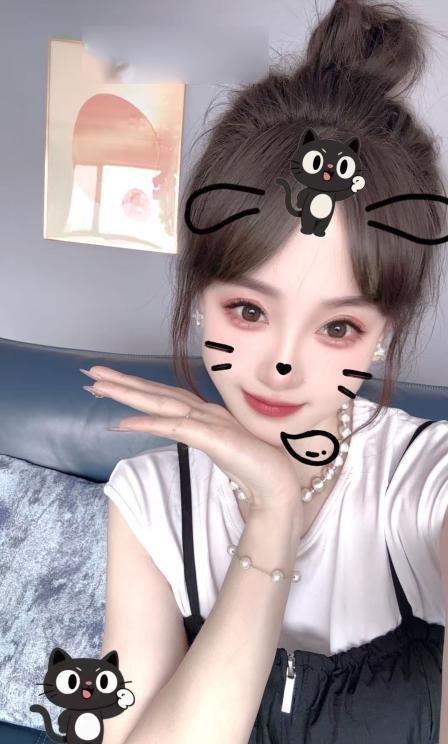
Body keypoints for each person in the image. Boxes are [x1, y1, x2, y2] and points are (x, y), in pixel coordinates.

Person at [81, 1, 448, 742]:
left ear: (384, 335)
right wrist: (273, 517)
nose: (282, 365)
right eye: (248, 310)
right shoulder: (150, 500)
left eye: (338, 327)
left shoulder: (424, 484)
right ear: (199, 297)